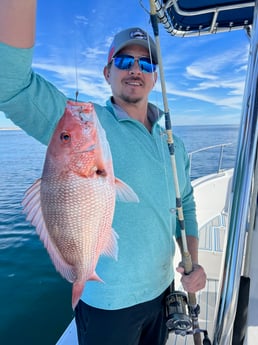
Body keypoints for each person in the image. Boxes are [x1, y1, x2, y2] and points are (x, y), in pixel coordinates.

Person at [0, 1, 206, 345]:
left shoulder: (174, 143)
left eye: (146, 62)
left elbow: (185, 203)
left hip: (162, 291)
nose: (135, 69)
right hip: (108, 304)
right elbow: (12, 87)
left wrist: (193, 263)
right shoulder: (81, 121)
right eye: (124, 61)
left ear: (154, 75)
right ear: (107, 72)